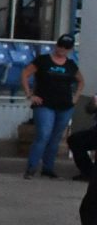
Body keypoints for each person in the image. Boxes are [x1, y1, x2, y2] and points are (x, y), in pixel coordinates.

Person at [20, 35, 82, 179]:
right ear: (56, 45)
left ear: (70, 49)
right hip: (44, 103)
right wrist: (30, 94)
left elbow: (81, 81)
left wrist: (76, 97)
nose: (62, 50)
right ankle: (31, 167)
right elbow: (25, 73)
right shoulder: (43, 60)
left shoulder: (71, 65)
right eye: (61, 46)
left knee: (55, 137)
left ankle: (48, 168)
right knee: (43, 134)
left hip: (65, 105)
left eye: (66, 47)